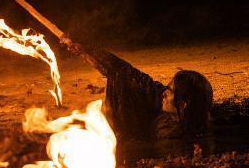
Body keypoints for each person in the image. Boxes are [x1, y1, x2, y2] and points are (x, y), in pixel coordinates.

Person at [63, 39, 213, 140]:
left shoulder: (189, 132)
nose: (164, 93)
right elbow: (127, 73)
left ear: (184, 104)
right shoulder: (164, 102)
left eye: (170, 91)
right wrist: (86, 51)